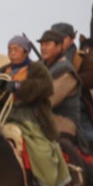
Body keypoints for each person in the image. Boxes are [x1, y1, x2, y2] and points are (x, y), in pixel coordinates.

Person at [0, 35, 71, 186]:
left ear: (25, 51)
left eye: (16, 49)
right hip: (2, 116)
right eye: (9, 49)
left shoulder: (36, 68)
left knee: (40, 151)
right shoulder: (4, 70)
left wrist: (17, 86)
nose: (12, 53)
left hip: (29, 118)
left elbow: (46, 87)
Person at [37, 29, 85, 163]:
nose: (43, 48)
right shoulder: (39, 66)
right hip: (42, 117)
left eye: (47, 44)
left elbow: (48, 100)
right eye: (42, 44)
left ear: (59, 47)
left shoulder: (66, 71)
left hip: (62, 122)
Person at [50, 22, 93, 144]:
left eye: (60, 38)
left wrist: (72, 80)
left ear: (70, 39)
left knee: (90, 141)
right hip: (52, 105)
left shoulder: (80, 57)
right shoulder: (48, 59)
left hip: (76, 105)